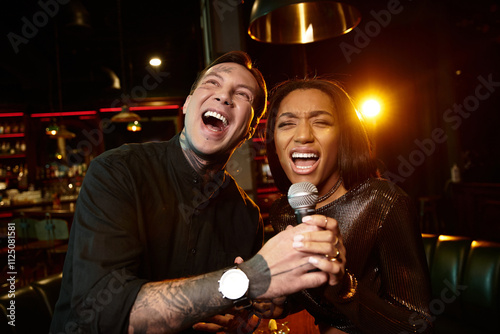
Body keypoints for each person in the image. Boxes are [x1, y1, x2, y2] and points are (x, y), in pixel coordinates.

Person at [50, 52, 333, 334]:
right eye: (212, 83)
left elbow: (240, 314)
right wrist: (248, 277)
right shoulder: (117, 171)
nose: (223, 97)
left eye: (243, 94)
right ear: (186, 104)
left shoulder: (247, 216)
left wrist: (240, 322)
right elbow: (100, 315)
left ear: (249, 130)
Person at [264, 78, 433, 333]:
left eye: (320, 122)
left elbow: (419, 327)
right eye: (287, 124)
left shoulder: (383, 202)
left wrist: (343, 287)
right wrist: (280, 303)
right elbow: (314, 294)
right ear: (274, 143)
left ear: (344, 137)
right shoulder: (283, 213)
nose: (302, 136)